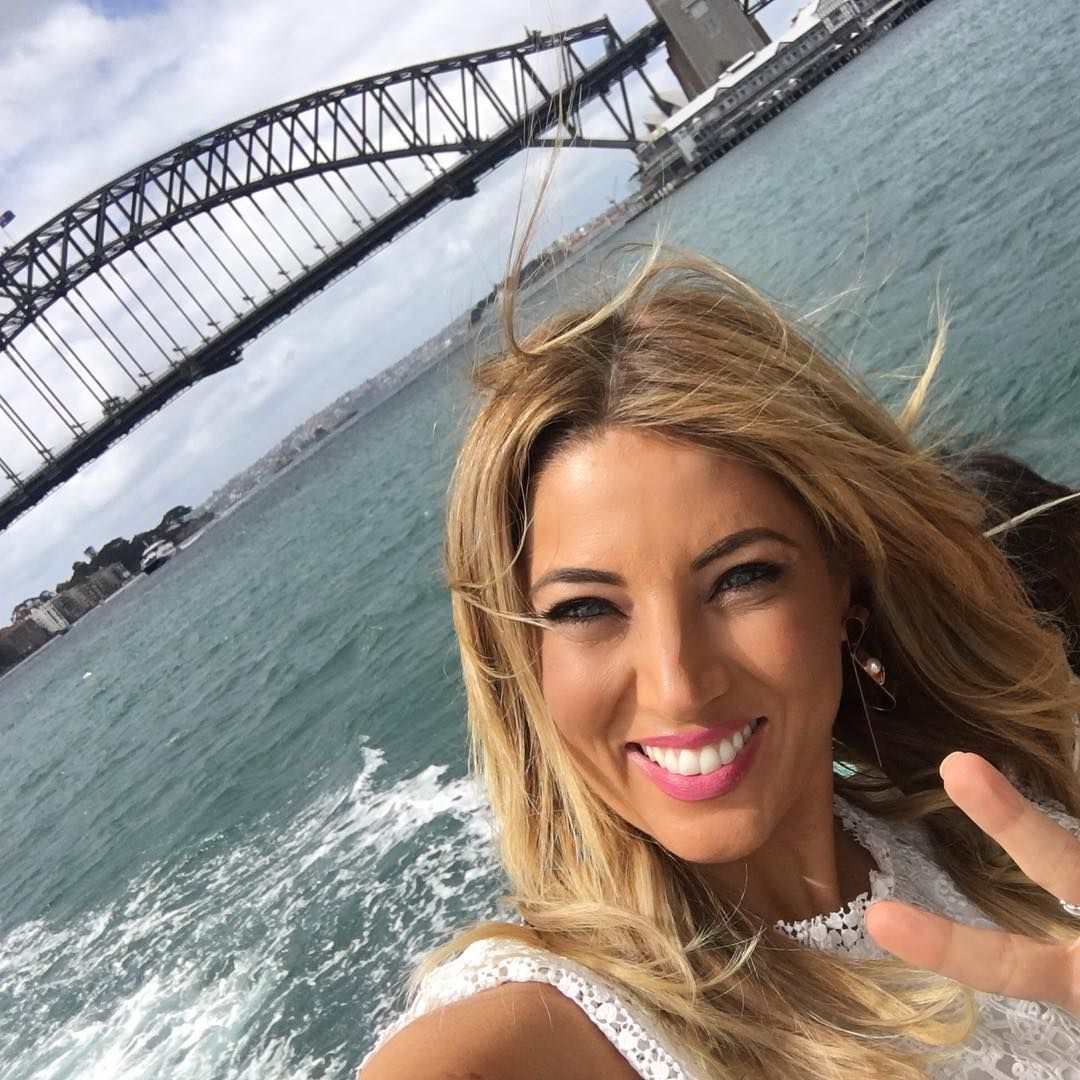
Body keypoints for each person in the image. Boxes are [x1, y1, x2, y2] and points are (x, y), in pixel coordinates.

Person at [360, 251, 1080, 1078]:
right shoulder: (556, 1027)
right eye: (586, 609)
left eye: (742, 578)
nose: (679, 686)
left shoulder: (992, 829)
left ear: (844, 589)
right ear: (526, 661)